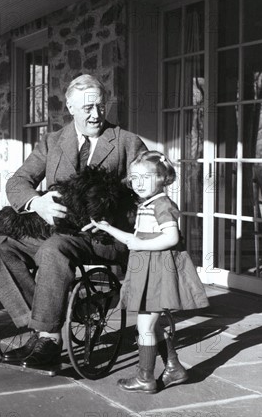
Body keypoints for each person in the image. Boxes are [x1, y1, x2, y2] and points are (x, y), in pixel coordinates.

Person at [0, 74, 147, 366]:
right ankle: (42, 327)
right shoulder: (53, 141)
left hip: (101, 236)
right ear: (70, 107)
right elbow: (17, 182)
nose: (96, 114)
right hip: (56, 230)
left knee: (53, 249)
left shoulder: (127, 143)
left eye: (100, 106)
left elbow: (147, 195)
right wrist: (37, 202)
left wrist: (113, 214)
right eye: (87, 108)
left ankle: (50, 340)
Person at [83, 150, 209, 393]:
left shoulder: (163, 205)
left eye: (146, 177)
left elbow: (171, 238)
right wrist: (106, 227)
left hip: (157, 274)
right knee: (153, 325)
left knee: (145, 327)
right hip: (147, 271)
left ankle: (145, 377)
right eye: (134, 178)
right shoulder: (148, 204)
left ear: (163, 178)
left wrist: (141, 244)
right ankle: (174, 368)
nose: (138, 184)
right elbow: (134, 239)